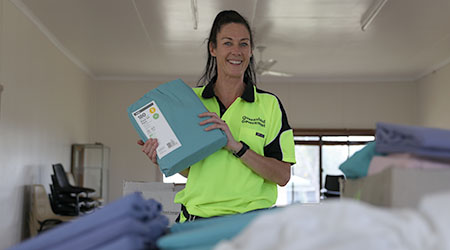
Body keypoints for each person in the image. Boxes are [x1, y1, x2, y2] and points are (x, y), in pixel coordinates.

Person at [138, 10, 296, 222]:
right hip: (197, 221)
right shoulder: (190, 101)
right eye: (228, 43)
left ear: (250, 51)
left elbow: (282, 176)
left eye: (243, 44)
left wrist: (236, 147)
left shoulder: (269, 105)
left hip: (249, 224)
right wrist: (162, 156)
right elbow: (193, 171)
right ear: (213, 48)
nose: (236, 51)